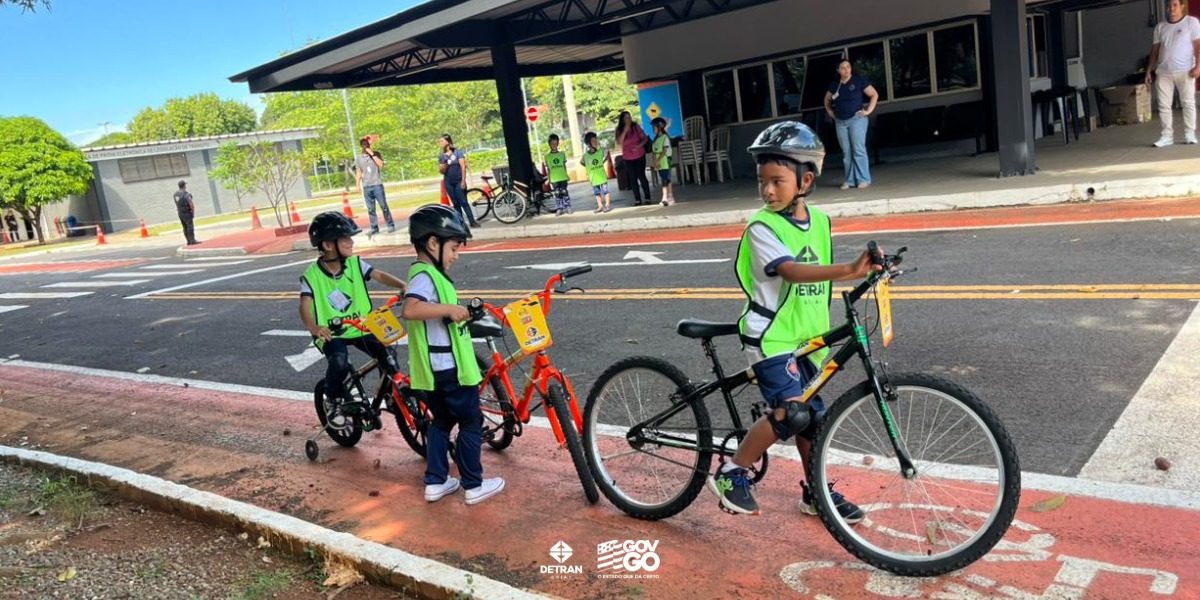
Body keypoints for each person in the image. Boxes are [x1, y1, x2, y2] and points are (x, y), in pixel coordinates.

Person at [708, 121, 879, 521]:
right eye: (762, 182)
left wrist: (871, 269)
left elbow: (815, 267)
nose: (767, 190)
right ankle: (733, 471)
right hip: (771, 337)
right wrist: (850, 270)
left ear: (805, 179)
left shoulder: (820, 221)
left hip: (808, 338)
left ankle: (816, 491)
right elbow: (791, 270)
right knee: (792, 411)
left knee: (813, 418)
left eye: (776, 181)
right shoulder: (762, 226)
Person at [401, 205, 505, 505]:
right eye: (454, 247)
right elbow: (411, 309)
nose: (456, 255)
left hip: (433, 371)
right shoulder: (425, 276)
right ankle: (473, 485)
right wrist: (450, 309)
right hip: (449, 369)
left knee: (441, 422)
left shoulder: (426, 274)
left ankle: (436, 481)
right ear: (433, 243)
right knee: (471, 422)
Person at [298, 211, 408, 421]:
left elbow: (379, 275)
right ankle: (332, 397)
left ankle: (393, 396)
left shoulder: (355, 264)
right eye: (346, 238)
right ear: (329, 245)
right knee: (339, 362)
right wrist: (315, 328)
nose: (351, 242)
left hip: (361, 325)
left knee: (388, 355)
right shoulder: (311, 276)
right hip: (332, 333)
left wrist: (402, 285)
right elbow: (304, 307)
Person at [1146, 0, 1200, 147]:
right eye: (1169, 6)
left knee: (1188, 102)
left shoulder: (1191, 22)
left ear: (1182, 6)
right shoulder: (1160, 27)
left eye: (1175, 5)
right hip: (1164, 72)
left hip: (1186, 70)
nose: (1171, 9)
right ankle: (1166, 136)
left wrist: (1198, 66)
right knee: (1163, 105)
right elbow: (1155, 51)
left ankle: (1190, 134)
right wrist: (1148, 71)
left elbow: (1197, 46)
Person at [824, 59, 879, 190]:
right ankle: (850, 180)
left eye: (848, 67)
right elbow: (827, 99)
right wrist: (830, 111)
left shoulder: (858, 80)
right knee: (846, 151)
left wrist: (868, 111)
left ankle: (863, 179)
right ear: (838, 70)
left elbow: (874, 94)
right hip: (840, 121)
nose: (846, 69)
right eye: (843, 67)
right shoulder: (835, 85)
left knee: (858, 149)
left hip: (857, 118)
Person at [354, 136, 396, 235]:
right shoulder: (359, 158)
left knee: (383, 206)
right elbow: (359, 171)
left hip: (377, 184)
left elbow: (381, 165)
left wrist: (372, 154)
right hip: (367, 186)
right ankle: (374, 227)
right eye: (363, 145)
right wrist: (357, 185)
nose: (365, 146)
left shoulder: (376, 154)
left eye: (367, 144)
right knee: (370, 209)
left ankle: (390, 225)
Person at [438, 134, 478, 233]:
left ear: (447, 142)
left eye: (442, 141)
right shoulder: (441, 156)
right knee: (455, 204)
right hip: (448, 182)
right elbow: (441, 171)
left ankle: (472, 221)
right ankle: (461, 224)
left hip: (459, 181)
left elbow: (463, 167)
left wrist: (463, 181)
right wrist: (444, 163)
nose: (440, 143)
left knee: (463, 202)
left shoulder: (458, 153)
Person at [615, 111, 653, 206]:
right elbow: (619, 143)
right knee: (632, 178)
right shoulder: (619, 130)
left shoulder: (636, 127)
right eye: (626, 118)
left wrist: (639, 146)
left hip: (639, 155)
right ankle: (637, 199)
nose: (628, 119)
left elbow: (645, 139)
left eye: (629, 117)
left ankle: (647, 198)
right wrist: (624, 131)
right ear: (622, 120)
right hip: (628, 158)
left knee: (641, 176)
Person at [582, 132, 611, 213]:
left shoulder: (600, 151)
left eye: (596, 140)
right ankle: (600, 206)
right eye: (593, 141)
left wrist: (603, 161)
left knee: (606, 191)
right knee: (597, 193)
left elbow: (607, 154)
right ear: (588, 144)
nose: (596, 142)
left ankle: (607, 205)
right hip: (593, 178)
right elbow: (582, 162)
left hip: (602, 176)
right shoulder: (585, 156)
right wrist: (589, 167)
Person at [545, 134, 572, 215]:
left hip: (562, 177)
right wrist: (549, 178)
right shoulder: (547, 157)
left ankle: (568, 207)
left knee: (564, 191)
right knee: (557, 193)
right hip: (554, 178)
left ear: (558, 144)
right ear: (549, 144)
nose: (554, 145)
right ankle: (559, 208)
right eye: (552, 144)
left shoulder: (562, 154)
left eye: (555, 144)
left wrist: (567, 175)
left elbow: (564, 165)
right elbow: (548, 168)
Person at [650, 117, 675, 206]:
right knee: (664, 179)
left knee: (666, 179)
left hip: (665, 161)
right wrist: (654, 162)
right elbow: (653, 152)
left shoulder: (665, 137)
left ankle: (668, 197)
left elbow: (664, 151)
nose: (653, 129)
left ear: (660, 127)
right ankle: (667, 196)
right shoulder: (655, 140)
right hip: (659, 162)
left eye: (654, 127)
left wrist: (658, 160)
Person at [173, 180, 199, 245]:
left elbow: (177, 204)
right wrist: (192, 213)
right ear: (184, 185)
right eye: (185, 185)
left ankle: (188, 241)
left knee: (184, 227)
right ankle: (192, 240)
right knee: (190, 227)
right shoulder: (186, 194)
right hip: (187, 212)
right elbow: (191, 204)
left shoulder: (175, 194)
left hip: (180, 213)